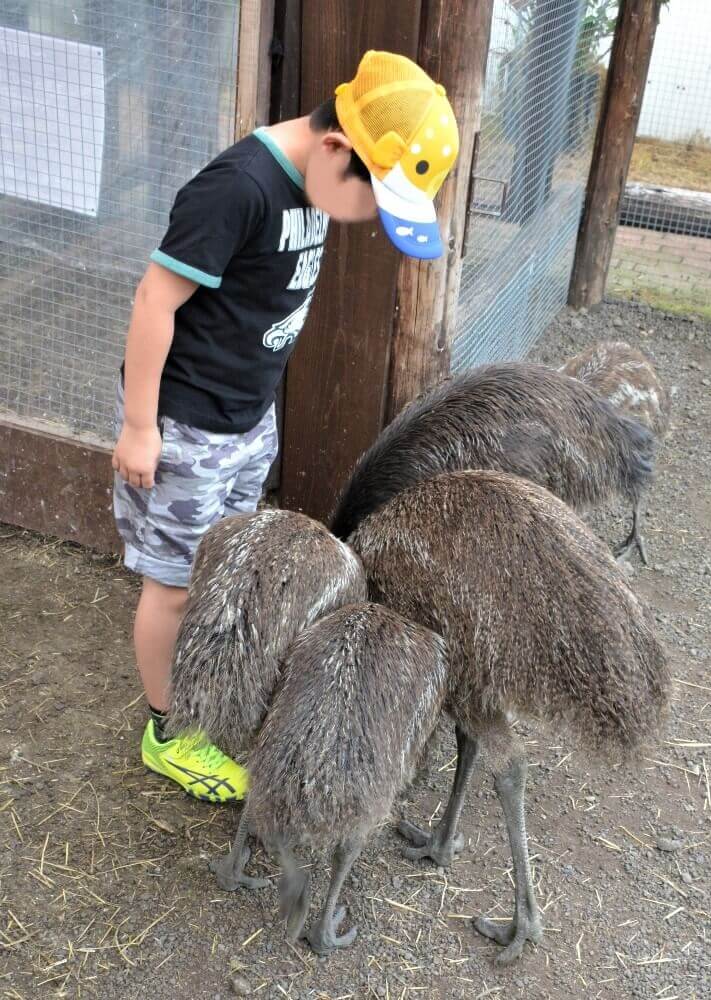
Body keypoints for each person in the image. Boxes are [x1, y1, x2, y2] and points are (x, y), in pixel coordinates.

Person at [112, 51, 459, 803]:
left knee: (222, 568)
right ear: (338, 150)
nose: (365, 224)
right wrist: (142, 426)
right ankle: (169, 733)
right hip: (188, 425)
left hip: (246, 416)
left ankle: (205, 693)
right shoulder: (238, 188)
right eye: (370, 204)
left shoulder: (315, 183)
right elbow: (153, 301)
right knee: (171, 583)